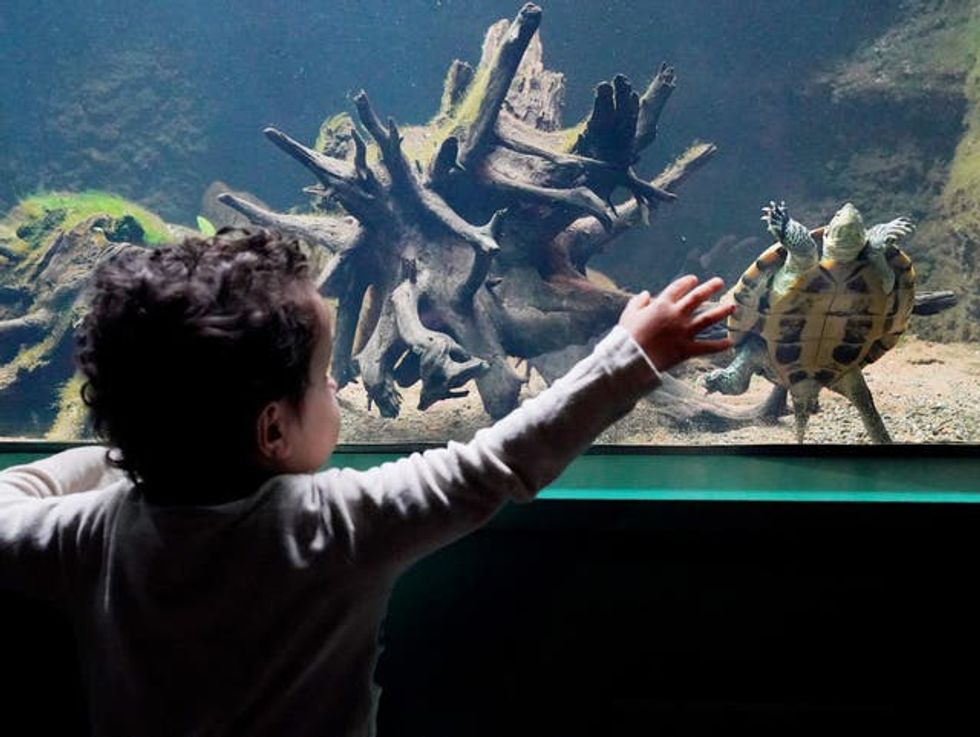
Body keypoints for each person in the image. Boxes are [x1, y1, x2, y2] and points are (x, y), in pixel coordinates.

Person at [0, 228, 734, 737]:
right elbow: (497, 463)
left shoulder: (87, 534)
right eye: (325, 377)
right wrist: (631, 355)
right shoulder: (332, 522)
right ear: (272, 431)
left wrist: (131, 447)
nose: (334, 389)